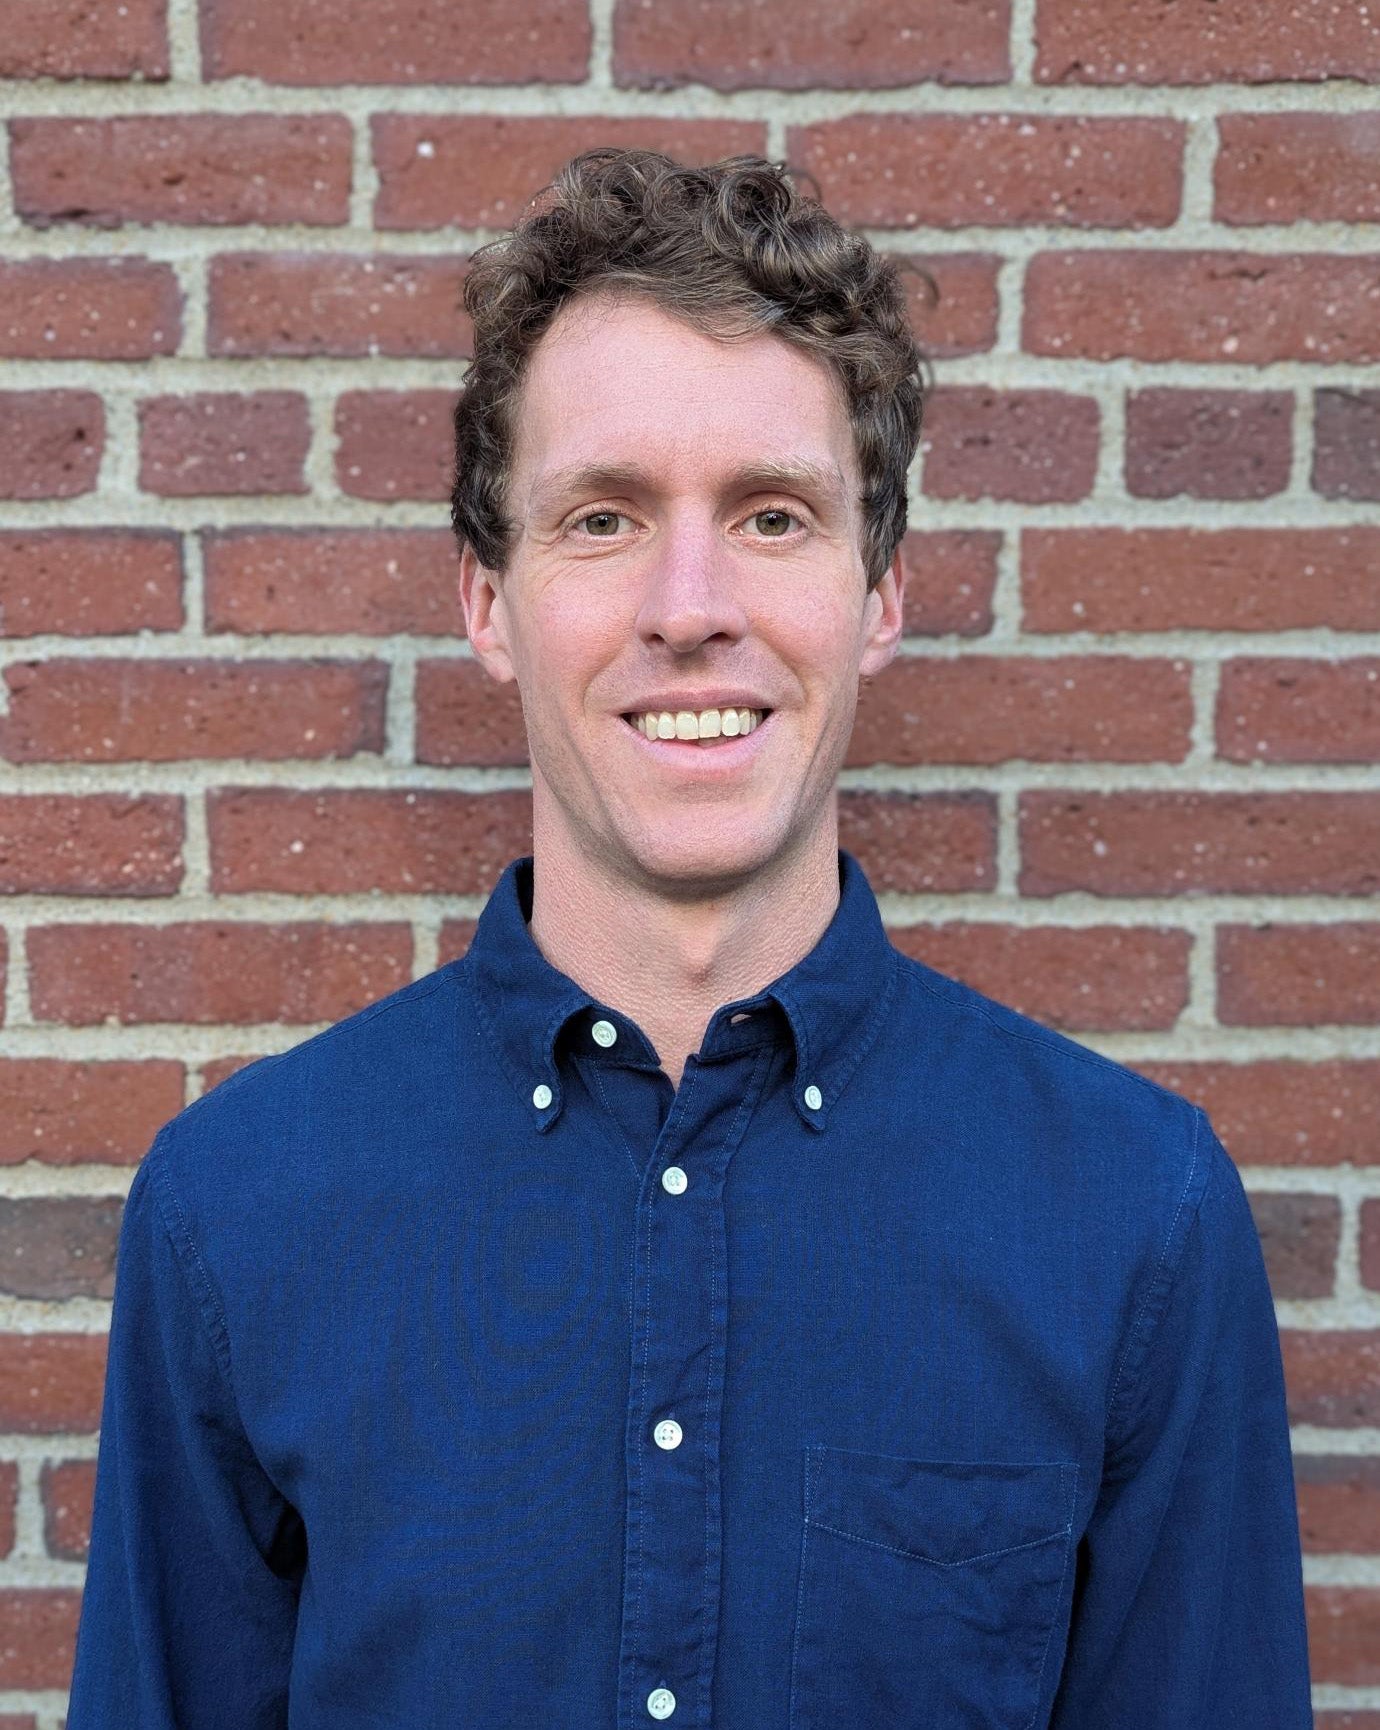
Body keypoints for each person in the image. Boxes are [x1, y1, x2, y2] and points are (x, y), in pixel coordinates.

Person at [66, 148, 1312, 1729]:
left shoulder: (1135, 1217)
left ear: (880, 593)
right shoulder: (236, 1213)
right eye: (603, 517)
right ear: (487, 600)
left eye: (773, 514)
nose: (689, 602)